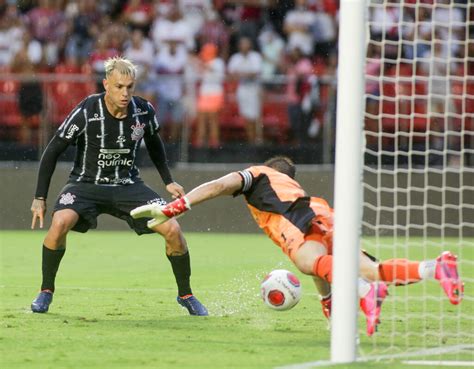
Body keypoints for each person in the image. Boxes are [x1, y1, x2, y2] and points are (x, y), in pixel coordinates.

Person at [131, 156, 464, 336]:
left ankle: (362, 289)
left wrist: (175, 207)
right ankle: (436, 267)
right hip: (322, 214)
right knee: (369, 269)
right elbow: (320, 266)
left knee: (307, 263)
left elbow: (219, 185)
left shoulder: (259, 175)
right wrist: (328, 303)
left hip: (298, 217)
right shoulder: (293, 188)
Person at [30, 56, 208, 316]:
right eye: (118, 87)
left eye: (130, 87)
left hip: (128, 185)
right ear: (106, 85)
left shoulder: (144, 110)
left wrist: (168, 180)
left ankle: (186, 295)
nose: (125, 93)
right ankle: (46, 291)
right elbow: (53, 150)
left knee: (173, 229)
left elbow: (155, 143)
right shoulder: (87, 110)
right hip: (85, 184)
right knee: (59, 224)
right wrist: (39, 197)